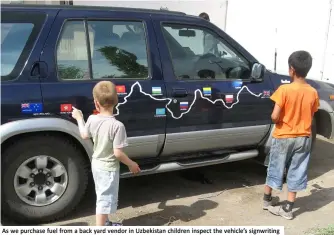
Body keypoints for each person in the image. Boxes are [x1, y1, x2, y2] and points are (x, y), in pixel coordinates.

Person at [71, 81, 141, 226]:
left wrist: (79, 118)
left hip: (96, 164)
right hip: (108, 169)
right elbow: (118, 153)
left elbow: (84, 135)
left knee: (102, 195)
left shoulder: (92, 119)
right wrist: (131, 164)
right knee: (104, 200)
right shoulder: (117, 126)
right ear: (116, 101)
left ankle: (106, 223)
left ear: (96, 103)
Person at [263, 50, 319, 220]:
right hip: (303, 138)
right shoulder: (313, 92)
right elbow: (312, 111)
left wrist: (280, 120)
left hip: (283, 136)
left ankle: (267, 200)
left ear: (291, 70)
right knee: (297, 170)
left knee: (275, 167)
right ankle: (288, 208)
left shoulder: (284, 89)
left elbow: (274, 115)